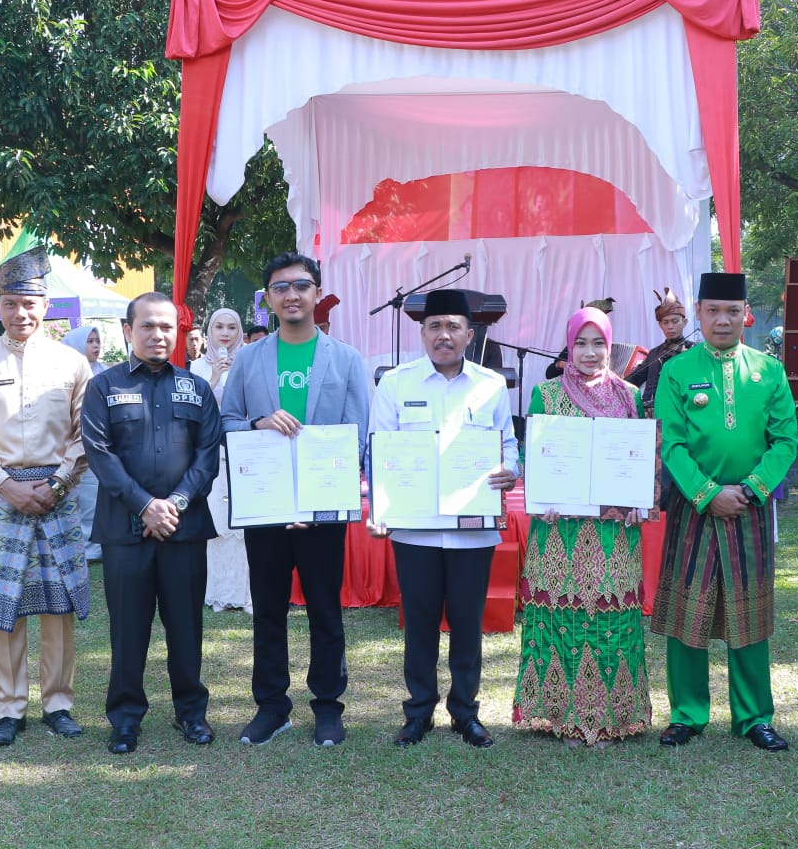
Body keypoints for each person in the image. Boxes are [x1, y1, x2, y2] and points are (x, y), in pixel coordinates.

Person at [220, 252, 370, 748]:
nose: (291, 295)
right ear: (268, 299)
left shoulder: (346, 359)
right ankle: (272, 706)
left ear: (317, 292)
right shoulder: (248, 358)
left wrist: (317, 504)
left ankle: (328, 707)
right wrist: (257, 424)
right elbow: (225, 425)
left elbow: (357, 438)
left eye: (301, 286)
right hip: (266, 510)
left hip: (321, 514)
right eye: (280, 288)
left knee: (326, 610)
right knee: (268, 610)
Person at [0, 247, 94, 747]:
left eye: (29, 302)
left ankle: (58, 703)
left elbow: (87, 433)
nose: (21, 313)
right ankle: (8, 708)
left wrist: (56, 483)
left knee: (58, 606)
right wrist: (5, 485)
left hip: (58, 492)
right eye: (10, 303)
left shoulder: (73, 363)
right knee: (1, 607)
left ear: (45, 302)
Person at [651, 272, 798, 752]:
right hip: (693, 507)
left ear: (745, 314)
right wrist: (706, 492)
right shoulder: (677, 370)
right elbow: (670, 441)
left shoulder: (769, 370)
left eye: (731, 311)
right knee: (686, 614)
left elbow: (785, 441)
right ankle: (687, 714)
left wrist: (752, 488)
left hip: (749, 509)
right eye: (712, 310)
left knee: (748, 614)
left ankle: (754, 716)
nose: (722, 319)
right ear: (698, 313)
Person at [370, 289, 519, 750]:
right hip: (415, 530)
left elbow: (509, 446)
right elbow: (379, 452)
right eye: (435, 326)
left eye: (454, 326)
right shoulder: (395, 384)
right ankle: (418, 713)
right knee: (419, 623)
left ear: (469, 334)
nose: (444, 335)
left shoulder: (490, 385)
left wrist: (509, 471)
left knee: (467, 624)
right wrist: (380, 509)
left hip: (473, 533)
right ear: (422, 332)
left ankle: (465, 713)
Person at [82, 293, 222, 754]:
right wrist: (145, 506)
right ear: (128, 331)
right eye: (148, 326)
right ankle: (125, 718)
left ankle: (191, 713)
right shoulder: (104, 387)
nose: (158, 335)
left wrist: (174, 504)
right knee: (128, 630)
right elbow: (101, 456)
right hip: (125, 532)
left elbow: (207, 456)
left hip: (184, 531)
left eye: (167, 327)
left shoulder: (196, 388)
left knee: (186, 628)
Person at [512, 306, 653, 747]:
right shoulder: (545, 394)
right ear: (568, 347)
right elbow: (532, 459)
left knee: (611, 618)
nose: (590, 353)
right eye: (581, 343)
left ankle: (612, 717)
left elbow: (640, 458)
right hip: (559, 532)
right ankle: (559, 716)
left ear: (610, 347)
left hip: (614, 532)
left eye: (599, 344)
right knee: (561, 615)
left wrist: (638, 502)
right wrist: (543, 498)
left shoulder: (629, 395)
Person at [189, 307, 251, 613]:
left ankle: (245, 592)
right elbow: (193, 410)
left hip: (246, 449)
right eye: (219, 328)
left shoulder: (251, 363)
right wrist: (214, 375)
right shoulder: (197, 367)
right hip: (212, 451)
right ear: (209, 333)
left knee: (245, 524)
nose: (225, 334)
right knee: (216, 521)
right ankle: (218, 591)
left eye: (231, 327)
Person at [63, 324, 108, 561]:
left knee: (93, 496)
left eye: (97, 341)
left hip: (99, 445)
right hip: (68, 447)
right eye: (89, 341)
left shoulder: (105, 372)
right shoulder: (60, 372)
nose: (95, 346)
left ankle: (93, 547)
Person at [627, 288, 693, 417]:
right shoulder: (654, 353)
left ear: (684, 323)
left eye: (675, 321)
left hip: (678, 413)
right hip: (649, 414)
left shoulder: (692, 351)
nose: (670, 327)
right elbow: (634, 380)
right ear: (660, 325)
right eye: (665, 322)